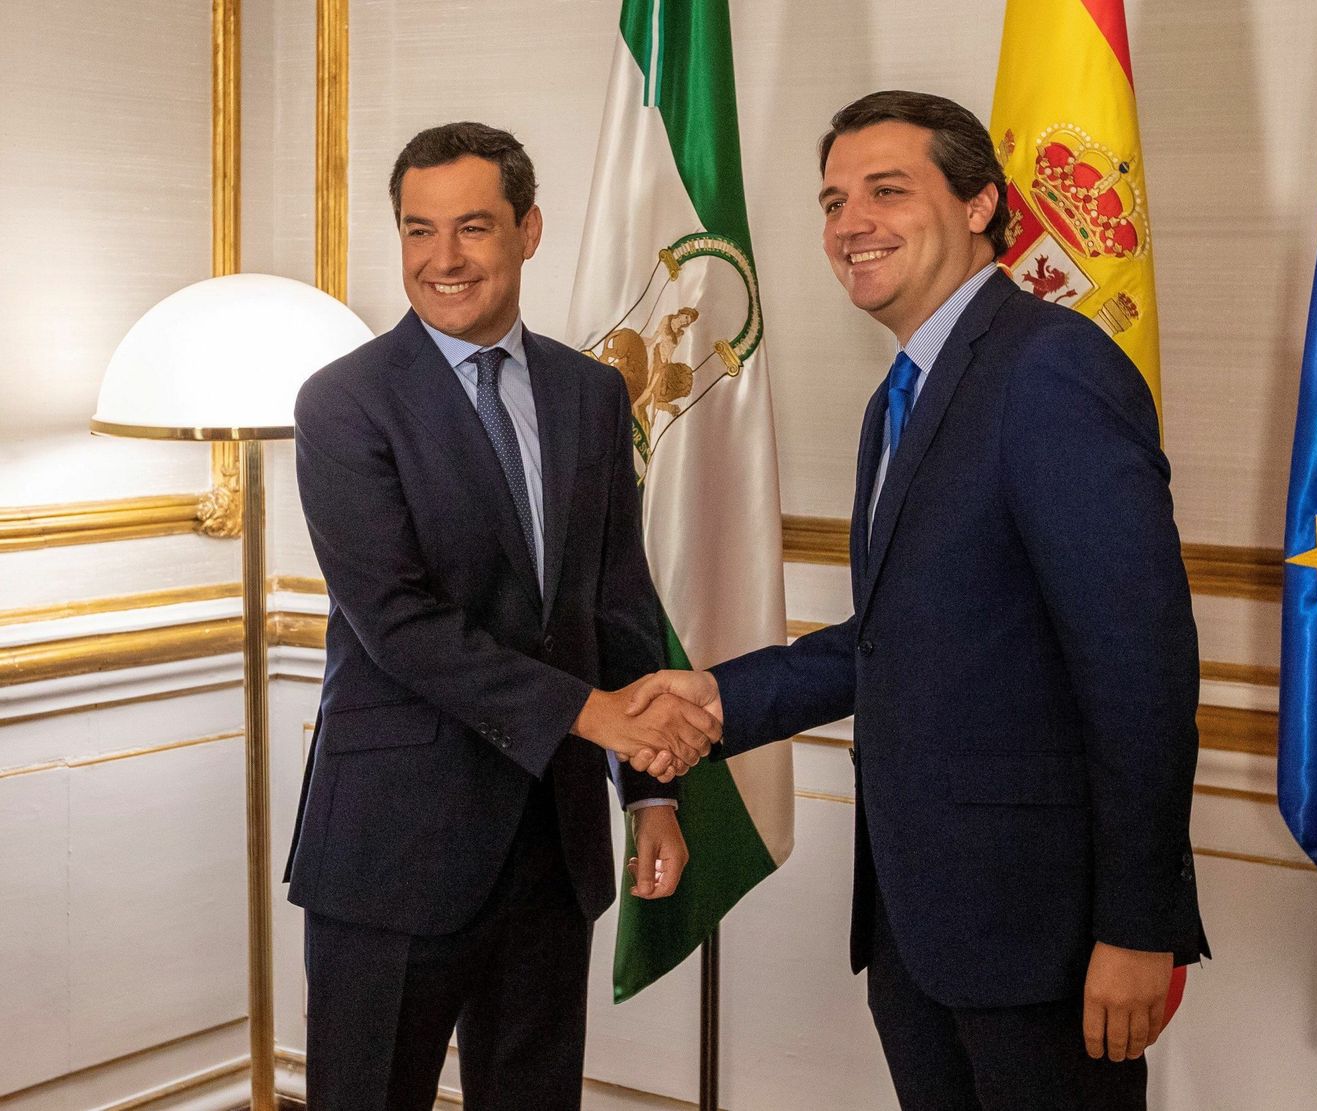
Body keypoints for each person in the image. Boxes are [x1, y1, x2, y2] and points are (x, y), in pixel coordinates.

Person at [631, 91, 1207, 1110]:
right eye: (832, 200)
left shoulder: (1050, 369)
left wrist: (1136, 924)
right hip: (915, 921)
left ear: (981, 202)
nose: (849, 223)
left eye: (886, 191)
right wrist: (717, 699)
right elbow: (899, 640)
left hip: (1046, 938)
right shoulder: (898, 395)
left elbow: (1141, 674)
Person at [284, 121, 715, 1110]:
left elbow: (617, 597)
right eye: (417, 229)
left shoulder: (592, 393)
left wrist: (650, 792)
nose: (442, 259)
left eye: (471, 227)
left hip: (548, 842)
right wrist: (594, 714)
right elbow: (397, 622)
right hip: (393, 847)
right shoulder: (343, 403)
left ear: (528, 229)